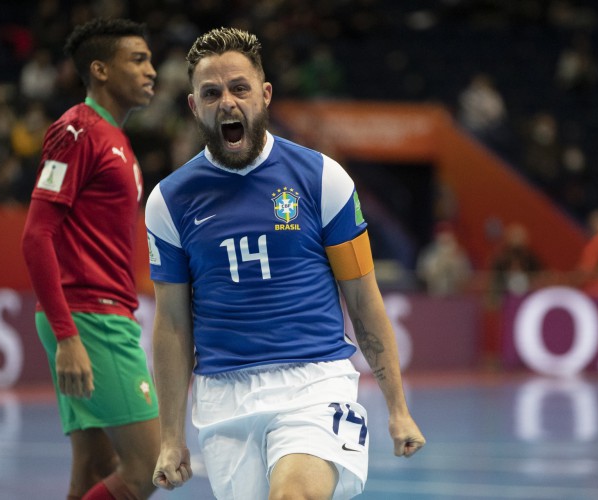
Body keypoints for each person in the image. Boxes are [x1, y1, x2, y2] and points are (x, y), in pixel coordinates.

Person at [146, 27, 425, 500]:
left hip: (313, 385)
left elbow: (362, 297)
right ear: (194, 106)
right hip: (223, 399)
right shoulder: (169, 203)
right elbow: (171, 324)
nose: (227, 102)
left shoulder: (322, 180)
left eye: (240, 88)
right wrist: (171, 437)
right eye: (211, 93)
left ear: (265, 95)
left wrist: (397, 407)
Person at [21, 18, 160, 500]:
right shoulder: (77, 130)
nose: (152, 71)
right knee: (146, 469)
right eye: (138, 60)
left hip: (100, 314)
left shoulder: (115, 139)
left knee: (94, 468)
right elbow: (36, 235)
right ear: (100, 70)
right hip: (90, 318)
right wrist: (68, 337)